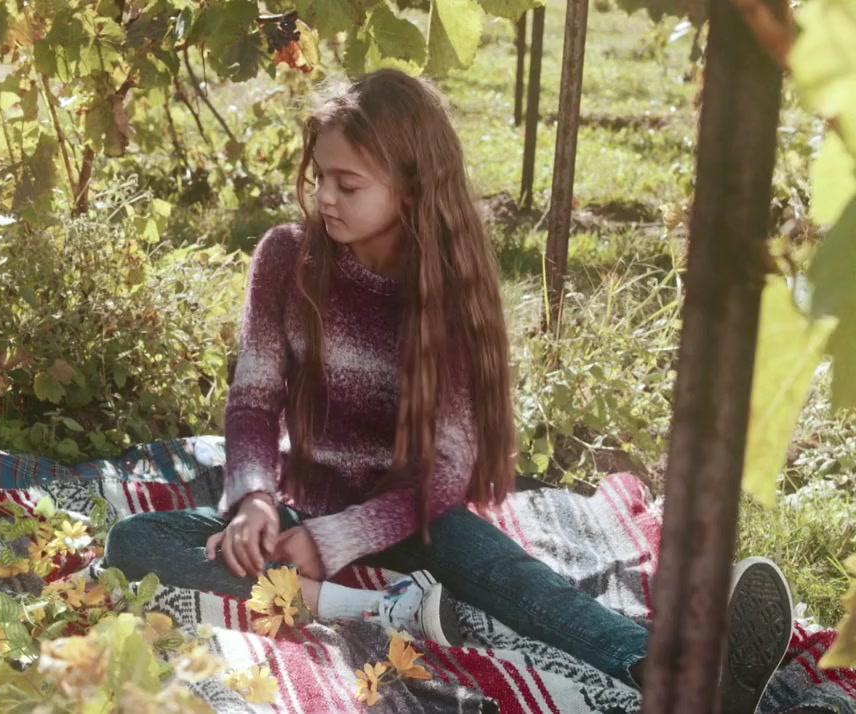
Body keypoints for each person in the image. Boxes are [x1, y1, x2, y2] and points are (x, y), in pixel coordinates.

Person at [103, 69, 794, 711]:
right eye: (320, 177)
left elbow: (445, 473)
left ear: (409, 187)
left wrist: (341, 537)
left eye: (348, 184)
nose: (325, 197)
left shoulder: (447, 294)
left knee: (520, 580)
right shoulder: (286, 258)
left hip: (413, 516)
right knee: (139, 541)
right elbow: (253, 401)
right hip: (299, 507)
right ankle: (368, 608)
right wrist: (254, 499)